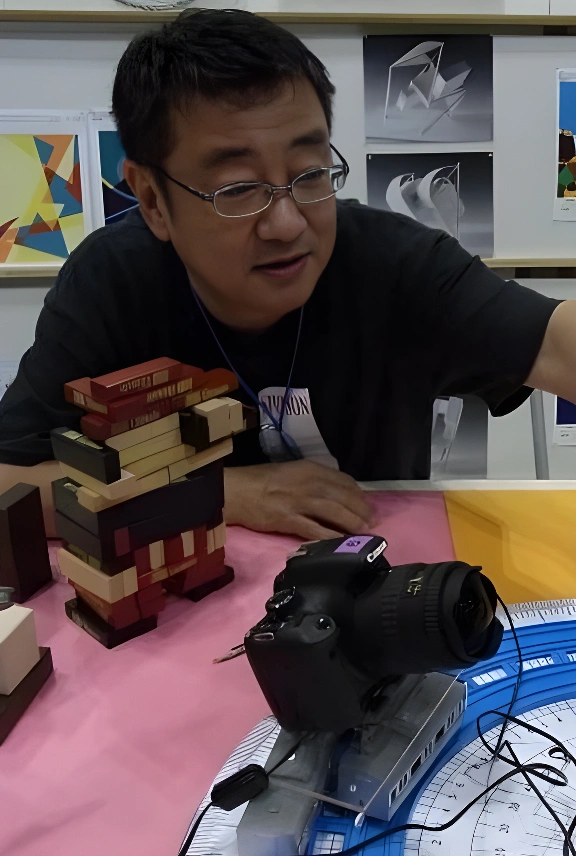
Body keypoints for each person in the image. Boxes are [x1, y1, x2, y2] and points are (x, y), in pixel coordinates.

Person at [0, 10, 575, 541]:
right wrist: (221, 493)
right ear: (152, 199)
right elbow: (9, 481)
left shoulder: (394, 262)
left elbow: (557, 344)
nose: (287, 223)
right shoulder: (112, 282)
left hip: (377, 576)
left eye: (310, 173)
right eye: (238, 189)